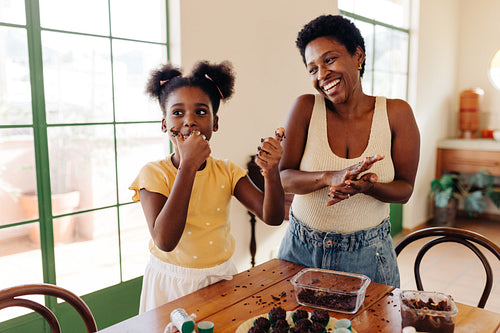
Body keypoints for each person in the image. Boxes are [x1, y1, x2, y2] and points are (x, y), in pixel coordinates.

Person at [130, 60, 285, 313]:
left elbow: (273, 217)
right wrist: (188, 166)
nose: (189, 121)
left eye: (201, 112)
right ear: (164, 124)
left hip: (220, 279)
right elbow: (165, 241)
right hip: (170, 285)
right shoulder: (153, 173)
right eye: (178, 113)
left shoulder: (227, 171)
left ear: (215, 123)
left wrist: (271, 172)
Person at [277, 15, 420, 287]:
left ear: (358, 55)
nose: (322, 75)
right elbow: (282, 177)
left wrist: (368, 187)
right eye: (312, 69)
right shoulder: (305, 108)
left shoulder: (396, 113)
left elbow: (405, 190)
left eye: (329, 60)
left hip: (367, 254)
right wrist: (329, 177)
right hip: (300, 249)